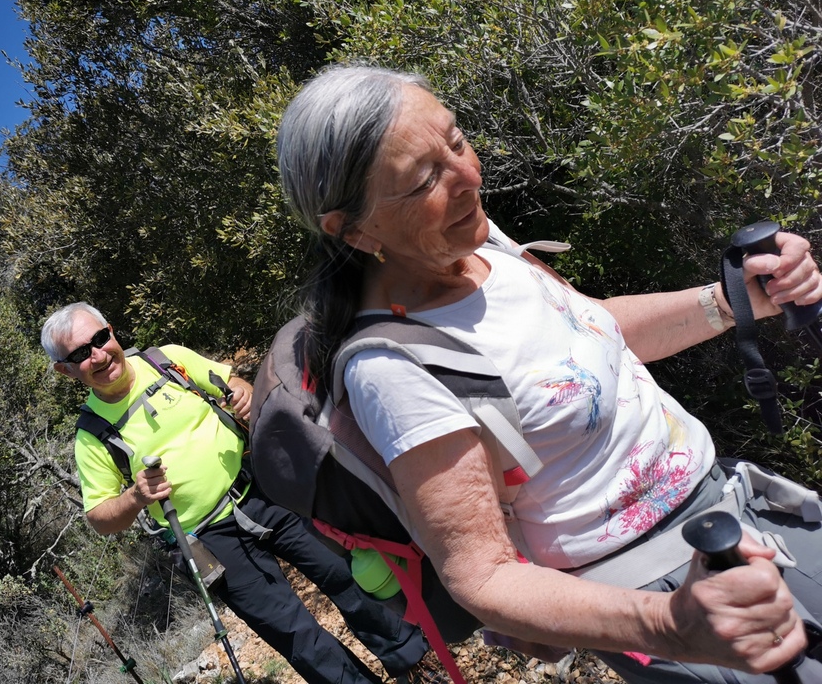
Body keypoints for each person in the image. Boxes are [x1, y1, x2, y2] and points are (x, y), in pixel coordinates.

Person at [274, 63, 822, 683]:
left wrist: (737, 300)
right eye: (425, 179)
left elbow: (592, 334)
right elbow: (481, 576)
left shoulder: (478, 244)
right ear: (352, 228)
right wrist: (673, 625)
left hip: (737, 502)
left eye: (456, 142)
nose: (468, 178)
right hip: (667, 590)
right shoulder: (394, 366)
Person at [41, 301, 448, 684]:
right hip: (208, 539)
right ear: (66, 370)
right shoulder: (92, 436)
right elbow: (99, 517)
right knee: (292, 630)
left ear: (111, 332)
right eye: (80, 354)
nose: (98, 355)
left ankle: (415, 661)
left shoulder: (163, 359)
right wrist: (134, 497)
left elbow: (230, 381)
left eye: (99, 339)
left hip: (261, 485)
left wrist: (244, 393)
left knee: (341, 572)